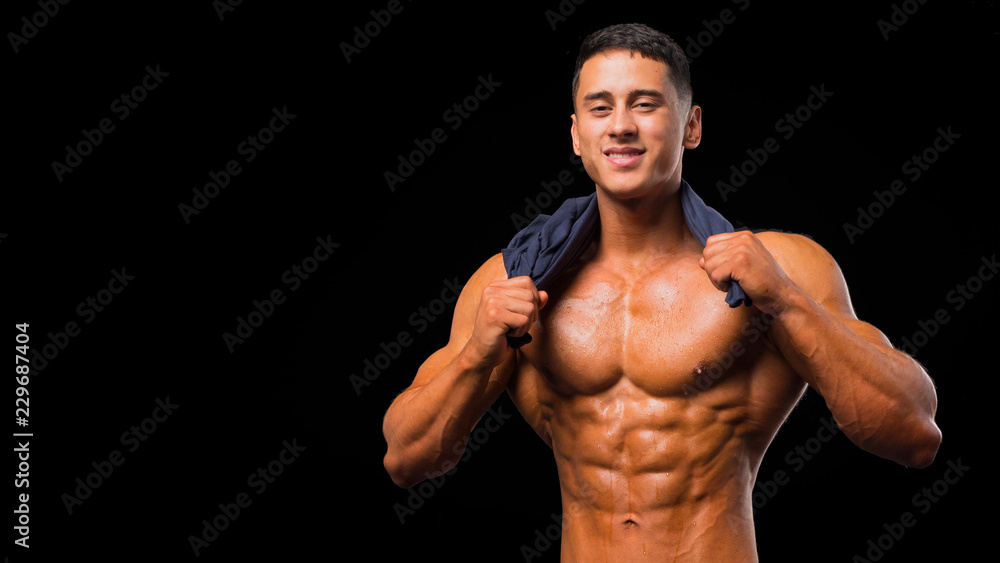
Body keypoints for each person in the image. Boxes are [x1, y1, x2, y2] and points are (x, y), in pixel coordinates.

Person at [382, 23, 941, 562]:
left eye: (645, 104)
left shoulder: (780, 268)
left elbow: (914, 434)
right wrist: (480, 354)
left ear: (691, 126)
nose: (621, 125)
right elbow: (406, 459)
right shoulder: (514, 280)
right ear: (577, 133)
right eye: (600, 108)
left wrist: (786, 301)